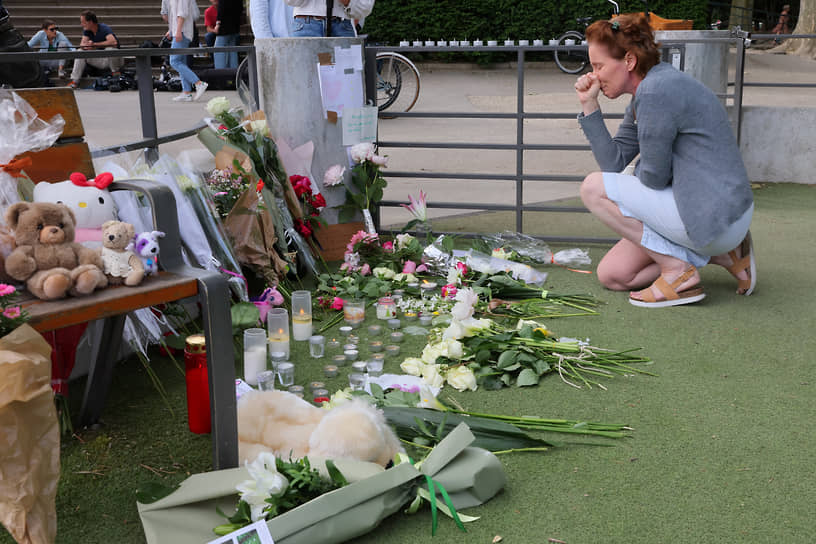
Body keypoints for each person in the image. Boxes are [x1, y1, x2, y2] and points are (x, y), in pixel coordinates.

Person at [573, 14, 755, 308]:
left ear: (629, 61)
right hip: (710, 213)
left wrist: (631, 178)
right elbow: (614, 162)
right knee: (615, 275)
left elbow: (653, 178)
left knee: (593, 188)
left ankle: (677, 272)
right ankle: (725, 255)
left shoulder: (656, 91)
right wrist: (589, 105)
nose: (593, 75)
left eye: (599, 66)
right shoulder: (646, 92)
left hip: (714, 214)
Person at [69, 10, 122, 89]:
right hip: (99, 60)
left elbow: (113, 42)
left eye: (83, 22)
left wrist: (94, 44)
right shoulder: (87, 31)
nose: (81, 24)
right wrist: (87, 46)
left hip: (113, 60)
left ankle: (115, 75)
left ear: (90, 22)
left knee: (110, 49)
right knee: (80, 51)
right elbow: (82, 45)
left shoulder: (104, 28)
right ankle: (75, 81)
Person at [166, 0, 208, 101]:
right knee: (181, 61)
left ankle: (198, 83)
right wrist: (172, 30)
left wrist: (178, 30)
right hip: (180, 30)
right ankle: (187, 92)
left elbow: (182, 13)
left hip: (182, 31)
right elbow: (175, 14)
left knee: (174, 61)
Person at [284, 0, 373, 37]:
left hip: (342, 25)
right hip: (306, 26)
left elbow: (365, 7)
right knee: (302, 74)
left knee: (346, 75)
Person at [214, 0, 243, 69]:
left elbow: (221, 7)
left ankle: (220, 73)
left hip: (224, 26)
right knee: (232, 50)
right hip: (234, 25)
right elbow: (241, 8)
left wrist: (218, 23)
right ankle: (234, 73)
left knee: (218, 49)